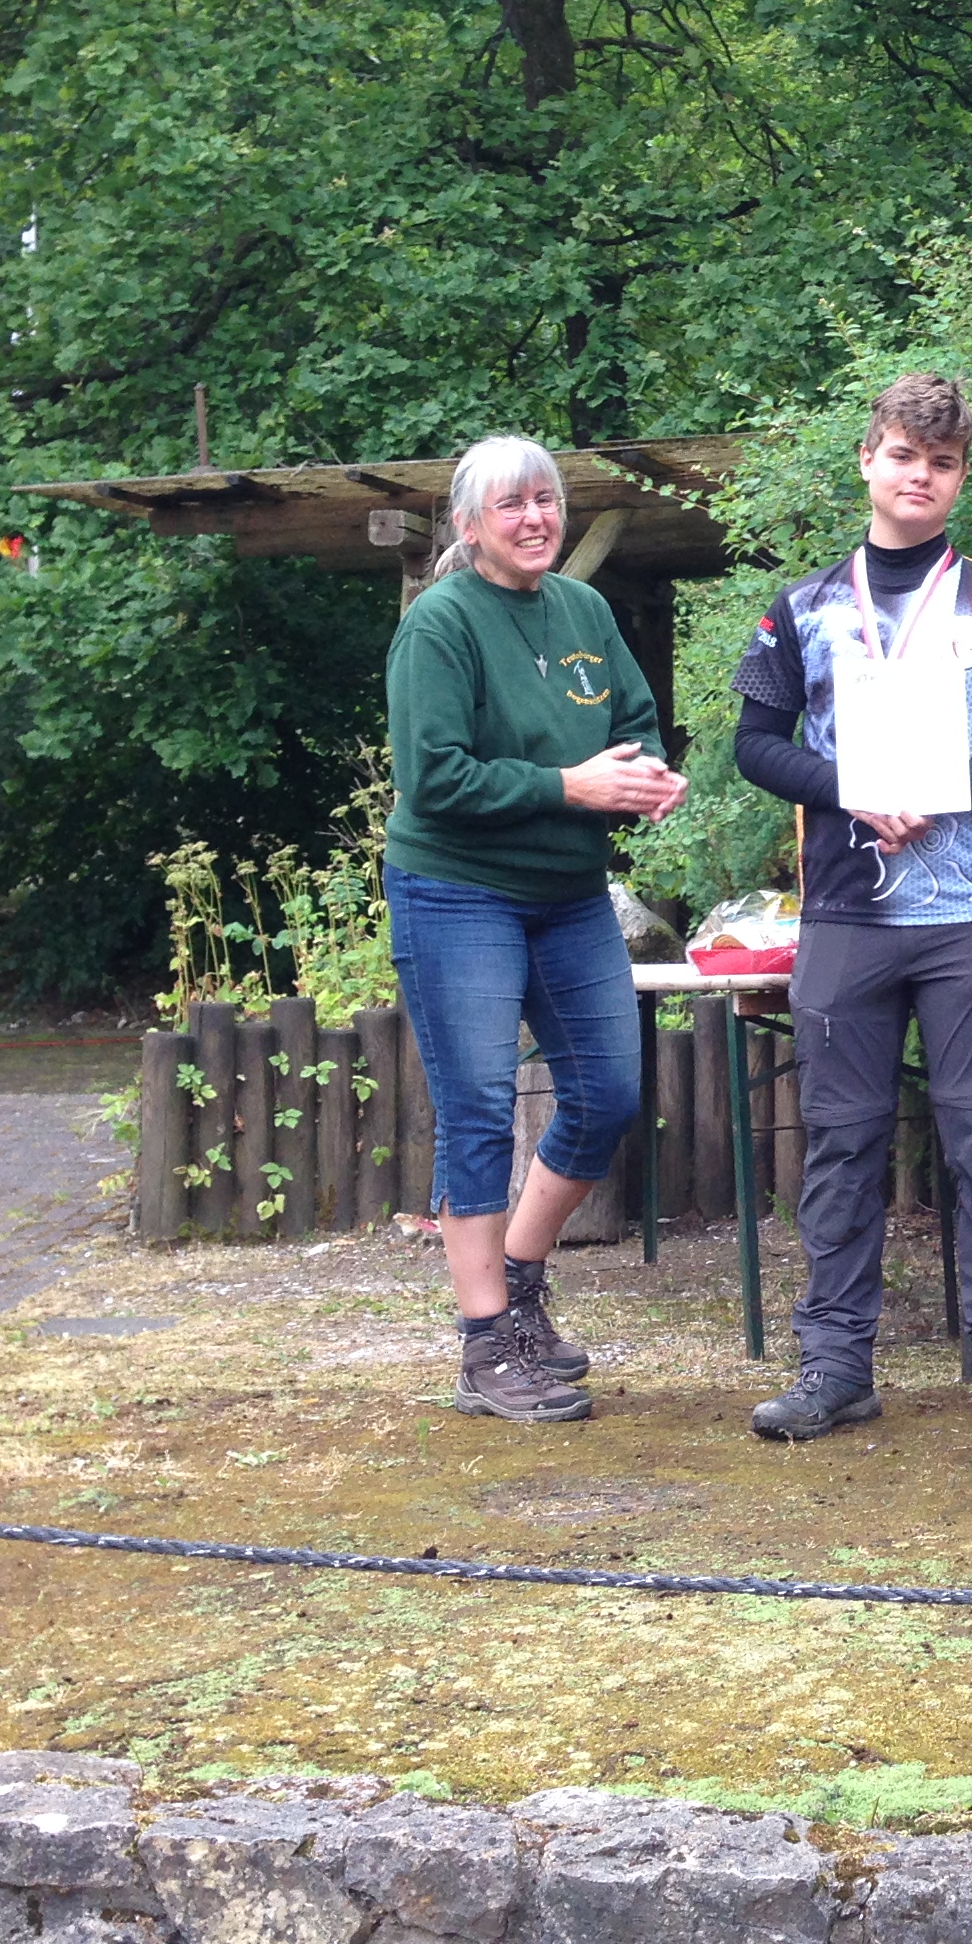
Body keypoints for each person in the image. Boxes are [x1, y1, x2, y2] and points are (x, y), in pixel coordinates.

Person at [730, 373, 972, 1443]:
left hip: (969, 908)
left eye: (942, 462)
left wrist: (938, 788)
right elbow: (754, 744)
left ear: (960, 477)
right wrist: (849, 788)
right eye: (902, 456)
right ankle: (836, 1364)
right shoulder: (802, 606)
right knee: (841, 1142)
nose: (919, 476)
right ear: (868, 461)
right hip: (844, 912)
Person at [385, 435, 688, 1424]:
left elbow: (634, 722)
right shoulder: (439, 625)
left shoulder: (584, 610)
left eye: (547, 499)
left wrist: (646, 776)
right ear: (469, 524)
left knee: (607, 1096)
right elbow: (434, 777)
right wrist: (570, 786)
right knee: (477, 1106)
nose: (534, 518)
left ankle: (518, 1284)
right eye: (511, 504)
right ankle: (485, 1350)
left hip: (568, 894)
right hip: (456, 890)